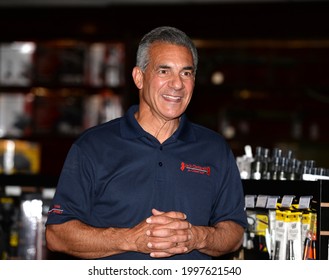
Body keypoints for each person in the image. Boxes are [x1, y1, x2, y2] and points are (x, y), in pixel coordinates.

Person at [45, 26, 247, 260]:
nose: (177, 84)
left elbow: (234, 234)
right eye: (164, 71)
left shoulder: (214, 148)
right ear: (139, 77)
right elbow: (57, 235)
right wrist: (131, 239)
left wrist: (196, 236)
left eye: (186, 73)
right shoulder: (93, 146)